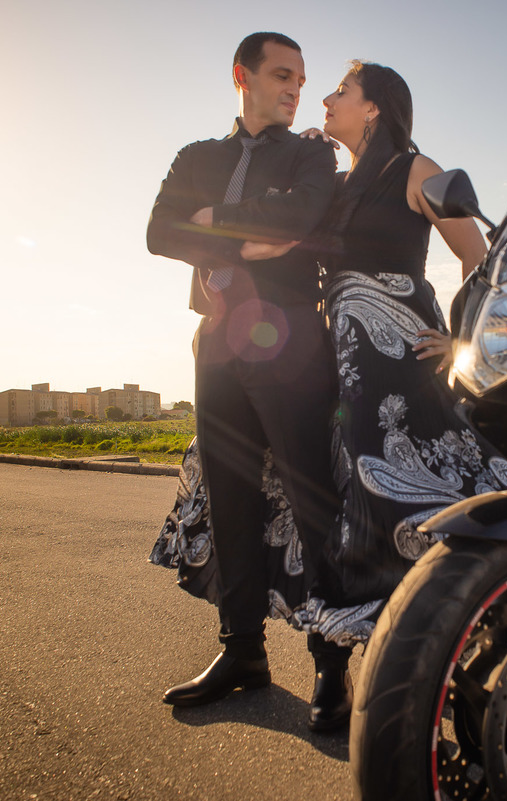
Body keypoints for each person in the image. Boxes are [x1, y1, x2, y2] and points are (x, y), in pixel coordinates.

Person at [254, 60, 507, 643]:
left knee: (398, 504)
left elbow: (484, 262)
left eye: (341, 90)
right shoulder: (337, 184)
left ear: (374, 107)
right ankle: (331, 664)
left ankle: (439, 645)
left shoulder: (414, 168)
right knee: (332, 504)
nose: (325, 97)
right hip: (336, 360)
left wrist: (463, 342)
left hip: (403, 367)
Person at [145, 31, 354, 731]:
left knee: (310, 497)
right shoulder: (197, 157)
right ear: (243, 76)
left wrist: (212, 223)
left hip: (291, 336)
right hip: (217, 341)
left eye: (302, 78)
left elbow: (298, 218)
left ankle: (333, 664)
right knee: (230, 498)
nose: (297, 89)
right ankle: (243, 653)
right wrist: (245, 233)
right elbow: (159, 231)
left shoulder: (311, 153)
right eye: (282, 75)